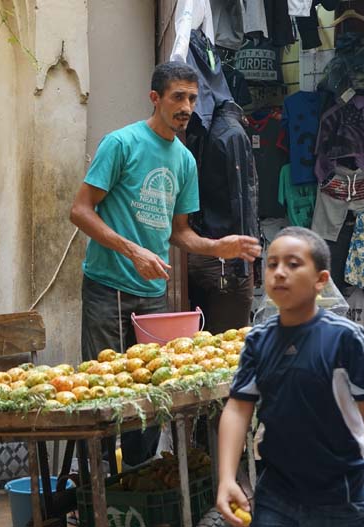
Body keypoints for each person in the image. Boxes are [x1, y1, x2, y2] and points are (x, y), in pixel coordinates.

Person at [69, 61, 261, 465]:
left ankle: (139, 481)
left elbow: (179, 233)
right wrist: (133, 250)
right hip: (107, 287)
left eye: (192, 98)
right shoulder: (121, 144)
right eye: (178, 97)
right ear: (155, 98)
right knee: (105, 391)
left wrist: (216, 247)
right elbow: (81, 211)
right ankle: (98, 488)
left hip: (152, 297)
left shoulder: (185, 161)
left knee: (152, 394)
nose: (187, 107)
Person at [216, 226, 364, 527]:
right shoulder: (258, 340)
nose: (278, 272)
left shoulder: (346, 339)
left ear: (321, 280)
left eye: (293, 264)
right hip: (275, 494)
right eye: (272, 263)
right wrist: (226, 477)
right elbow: (237, 409)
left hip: (340, 496)